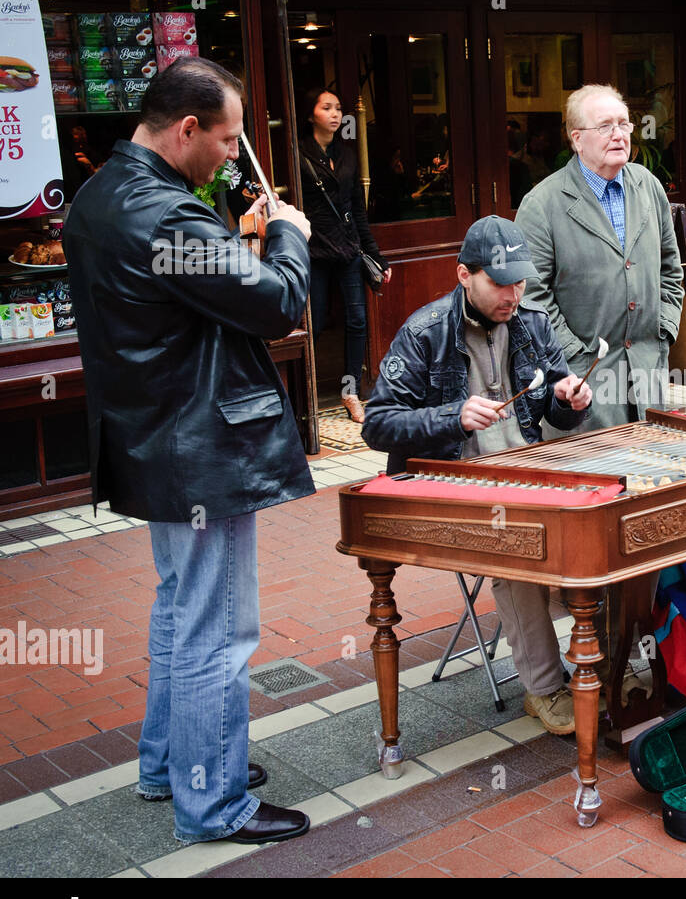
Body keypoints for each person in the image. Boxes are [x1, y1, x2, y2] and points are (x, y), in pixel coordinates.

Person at [63, 57, 316, 845]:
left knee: (181, 608)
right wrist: (288, 234)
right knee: (219, 627)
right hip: (198, 445)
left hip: (153, 437)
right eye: (228, 140)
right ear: (186, 129)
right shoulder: (168, 219)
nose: (234, 156)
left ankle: (173, 763)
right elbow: (275, 302)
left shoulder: (100, 195)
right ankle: (213, 803)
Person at [361, 216, 594, 734]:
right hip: (453, 484)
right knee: (514, 540)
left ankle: (608, 666)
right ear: (464, 274)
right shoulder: (424, 332)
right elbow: (376, 425)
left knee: (605, 530)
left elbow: (560, 412)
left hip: (528, 471)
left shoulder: (532, 324)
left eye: (520, 281)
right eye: (500, 281)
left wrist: (572, 399)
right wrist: (451, 416)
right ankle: (544, 688)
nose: (513, 293)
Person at [515, 83, 683, 431]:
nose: (618, 135)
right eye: (605, 126)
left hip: (647, 368)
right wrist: (575, 355)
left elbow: (671, 268)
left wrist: (662, 329)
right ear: (577, 139)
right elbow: (530, 297)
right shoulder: (543, 204)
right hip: (582, 379)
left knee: (651, 472)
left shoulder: (648, 186)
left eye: (624, 124)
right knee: (596, 476)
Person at [299, 87, 391, 425]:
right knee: (316, 320)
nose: (336, 114)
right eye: (327, 108)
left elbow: (358, 211)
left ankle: (350, 391)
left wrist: (376, 257)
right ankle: (305, 391)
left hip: (349, 248)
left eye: (338, 108)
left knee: (357, 321)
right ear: (311, 115)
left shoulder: (348, 155)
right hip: (314, 250)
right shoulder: (298, 153)